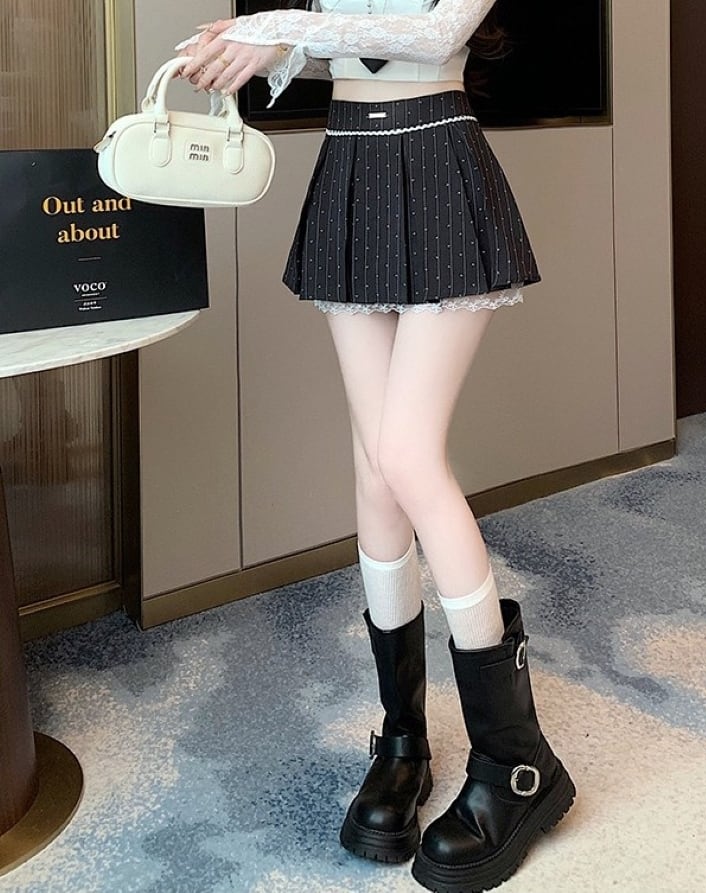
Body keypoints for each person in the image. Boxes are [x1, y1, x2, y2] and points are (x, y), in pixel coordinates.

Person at [178, 3, 575, 890]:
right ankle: (402, 742)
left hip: (437, 162)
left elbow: (431, 37)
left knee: (408, 454)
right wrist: (257, 52)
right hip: (352, 163)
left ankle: (518, 761)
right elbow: (352, 51)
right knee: (374, 470)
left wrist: (276, 23)